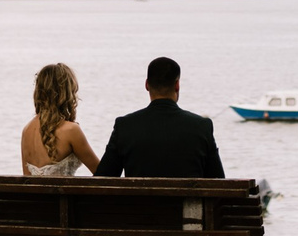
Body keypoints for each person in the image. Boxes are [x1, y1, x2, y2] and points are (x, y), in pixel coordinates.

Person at [17, 63, 178, 236]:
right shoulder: (70, 131)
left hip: (42, 228)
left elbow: (28, 182)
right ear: (67, 92)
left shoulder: (26, 131)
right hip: (68, 229)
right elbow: (103, 176)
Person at [95, 55, 224, 179]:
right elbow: (218, 181)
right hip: (186, 202)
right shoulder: (202, 127)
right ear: (177, 85)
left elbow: (103, 178)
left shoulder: (124, 126)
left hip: (139, 202)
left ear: (146, 85)